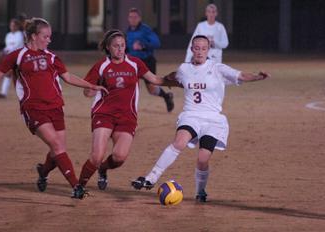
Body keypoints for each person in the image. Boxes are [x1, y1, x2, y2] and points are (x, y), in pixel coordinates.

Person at [0, 17, 107, 199]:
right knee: (57, 145)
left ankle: (43, 172)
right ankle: (76, 186)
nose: (49, 40)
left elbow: (68, 77)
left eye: (50, 37)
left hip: (55, 107)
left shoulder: (52, 57)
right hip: (33, 108)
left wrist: (91, 85)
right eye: (45, 36)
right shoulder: (17, 56)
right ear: (34, 36)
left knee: (57, 149)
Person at [132, 35, 270, 202]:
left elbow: (241, 76)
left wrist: (257, 76)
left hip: (213, 119)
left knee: (203, 159)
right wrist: (156, 79)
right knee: (179, 142)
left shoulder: (218, 68)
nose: (200, 51)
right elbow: (172, 77)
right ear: (192, 49)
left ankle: (200, 191)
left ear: (208, 50)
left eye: (203, 48)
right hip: (191, 115)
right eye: (196, 48)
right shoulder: (184, 69)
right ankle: (151, 178)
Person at [78, 29, 169, 191]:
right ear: (108, 47)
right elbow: (87, 92)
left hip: (127, 117)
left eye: (122, 45)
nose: (119, 49)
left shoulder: (135, 63)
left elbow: (155, 79)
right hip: (104, 114)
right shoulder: (101, 66)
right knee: (97, 156)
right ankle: (79, 186)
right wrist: (92, 88)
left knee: (119, 157)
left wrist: (179, 80)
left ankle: (103, 169)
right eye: (115, 46)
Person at [126, 7, 174, 112]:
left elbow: (157, 43)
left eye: (135, 17)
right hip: (133, 63)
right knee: (131, 85)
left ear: (139, 18)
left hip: (147, 62)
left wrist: (143, 45)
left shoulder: (146, 29)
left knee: (151, 89)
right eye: (130, 17)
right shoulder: (128, 31)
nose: (132, 19)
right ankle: (130, 108)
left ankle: (167, 96)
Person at [0, 18, 25, 99]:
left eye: (13, 25)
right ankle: (3, 93)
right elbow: (8, 46)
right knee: (9, 74)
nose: (11, 27)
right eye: (11, 25)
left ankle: (4, 93)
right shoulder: (8, 35)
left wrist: (6, 51)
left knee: (17, 75)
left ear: (17, 26)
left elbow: (16, 46)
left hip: (19, 57)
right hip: (11, 57)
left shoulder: (20, 34)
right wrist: (3, 50)